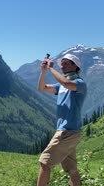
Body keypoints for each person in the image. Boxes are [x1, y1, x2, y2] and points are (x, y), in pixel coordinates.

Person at [36, 53, 87, 186]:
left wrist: (51, 68)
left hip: (66, 132)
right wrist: (43, 72)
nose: (62, 66)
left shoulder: (79, 84)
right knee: (72, 169)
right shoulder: (62, 86)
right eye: (61, 63)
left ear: (74, 66)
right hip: (69, 132)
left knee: (44, 162)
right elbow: (41, 88)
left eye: (65, 63)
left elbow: (66, 82)